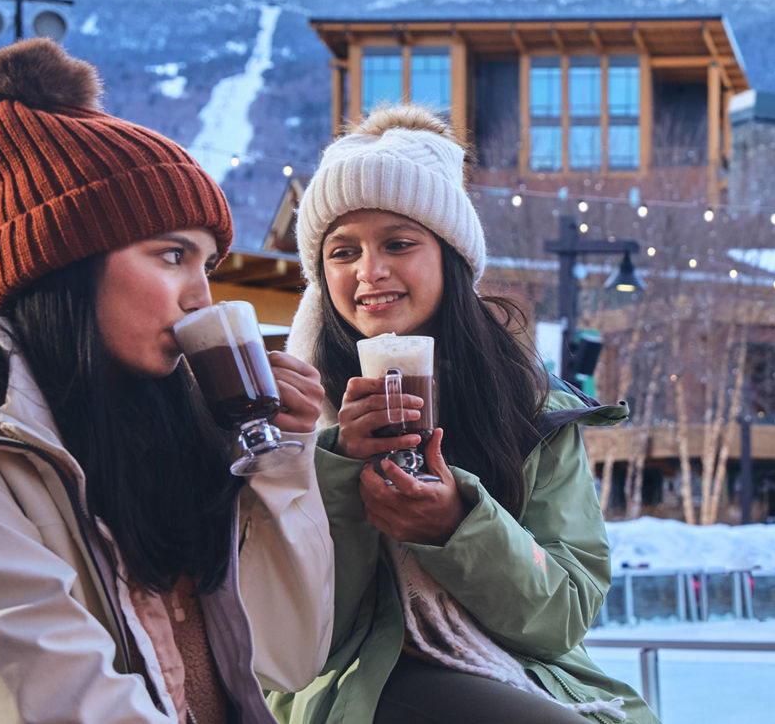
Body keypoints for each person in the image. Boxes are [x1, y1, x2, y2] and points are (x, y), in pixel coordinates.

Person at [0, 38, 333, 723]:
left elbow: (287, 658)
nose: (201, 298)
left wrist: (280, 458)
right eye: (170, 255)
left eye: (206, 263)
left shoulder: (177, 425)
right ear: (67, 261)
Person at [267, 104, 655, 724]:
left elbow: (563, 617)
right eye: (342, 253)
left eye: (398, 243)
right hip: (353, 685)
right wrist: (338, 468)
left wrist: (459, 524)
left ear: (449, 256)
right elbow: (288, 642)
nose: (370, 271)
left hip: (515, 669)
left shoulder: (532, 408)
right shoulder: (289, 410)